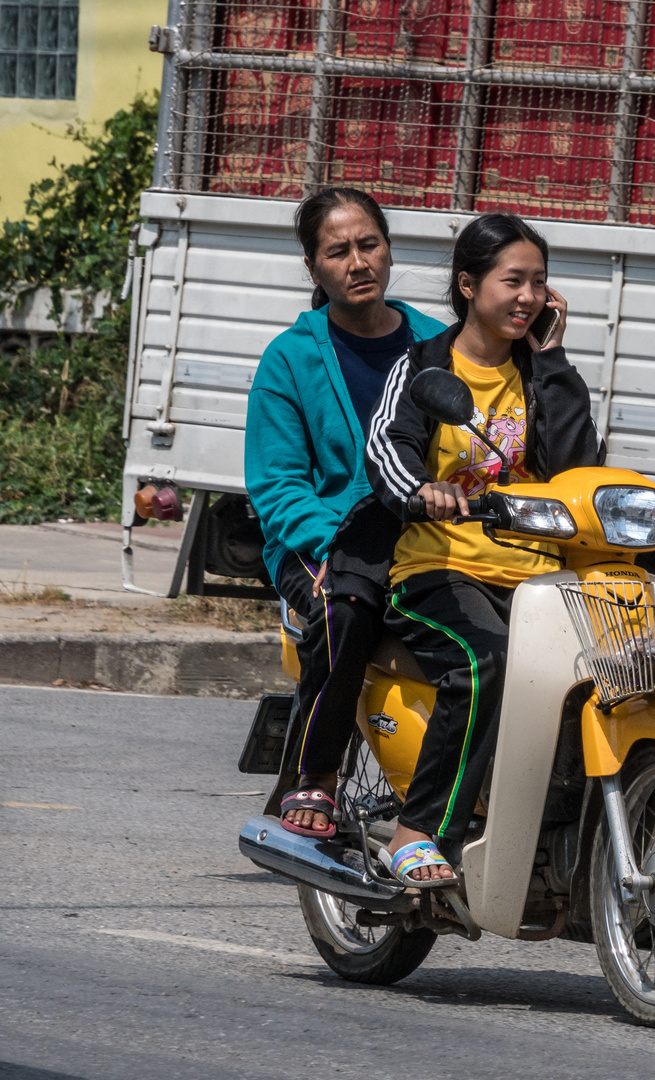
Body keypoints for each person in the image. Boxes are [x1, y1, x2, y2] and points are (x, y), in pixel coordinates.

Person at [365, 213, 601, 884]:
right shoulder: (427, 366)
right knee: (484, 661)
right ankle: (418, 832)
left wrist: (553, 360)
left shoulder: (543, 374)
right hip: (440, 566)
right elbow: (388, 446)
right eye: (512, 281)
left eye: (539, 284)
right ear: (469, 285)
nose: (527, 297)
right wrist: (421, 491)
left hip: (537, 574)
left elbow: (582, 464)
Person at [246, 188, 447, 838]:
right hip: (316, 539)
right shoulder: (290, 359)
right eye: (339, 251)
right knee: (347, 607)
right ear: (314, 268)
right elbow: (276, 487)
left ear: (388, 250)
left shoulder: (440, 345)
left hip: (421, 538)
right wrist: (341, 546)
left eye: (369, 245)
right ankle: (317, 776)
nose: (358, 262)